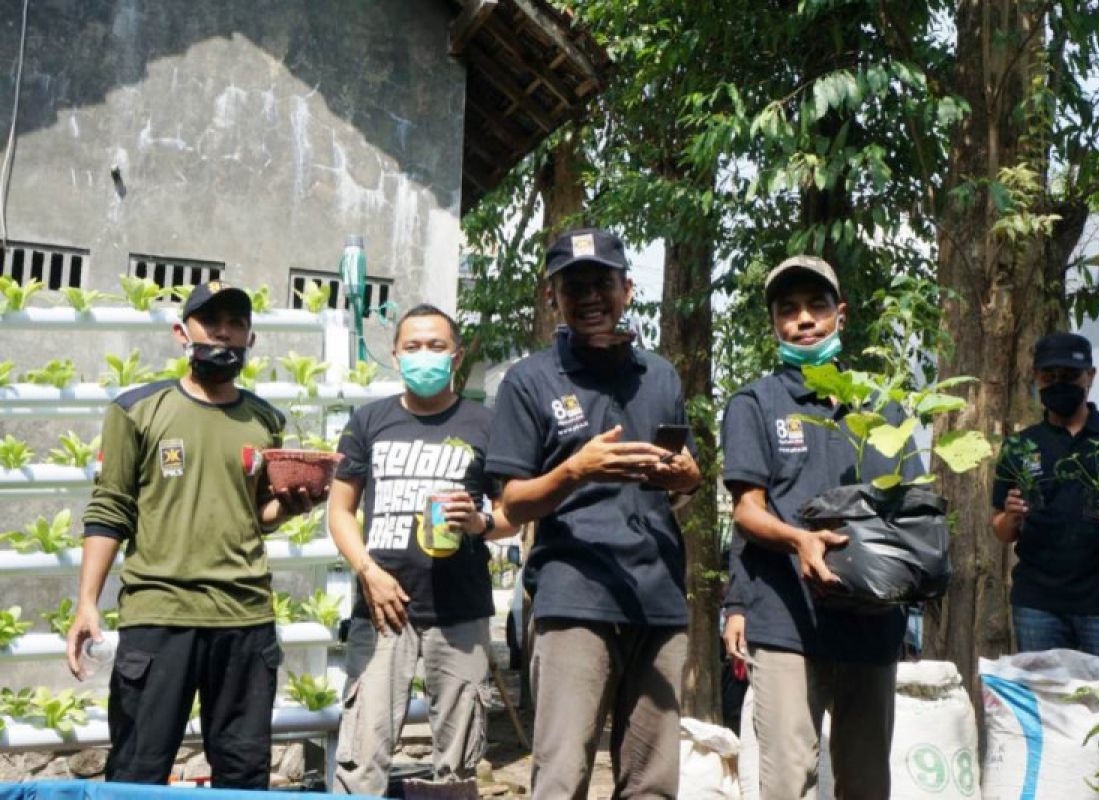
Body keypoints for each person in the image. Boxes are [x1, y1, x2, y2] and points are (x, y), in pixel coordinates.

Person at [67, 282, 319, 787]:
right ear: (183, 332)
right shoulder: (136, 410)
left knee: (244, 775)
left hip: (245, 618)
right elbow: (111, 506)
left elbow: (255, 515)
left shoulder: (266, 420)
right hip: (159, 615)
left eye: (236, 323)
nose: (224, 332)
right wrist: (87, 601)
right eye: (211, 322)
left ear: (251, 339)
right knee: (138, 769)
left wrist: (290, 507)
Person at [485, 228, 701, 799]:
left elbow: (683, 484)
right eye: (572, 285)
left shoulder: (660, 375)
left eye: (601, 283)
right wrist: (575, 470)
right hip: (574, 596)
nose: (589, 297)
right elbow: (512, 502)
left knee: (652, 783)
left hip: (657, 599)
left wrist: (688, 478)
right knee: (561, 775)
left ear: (627, 289)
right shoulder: (529, 381)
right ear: (551, 297)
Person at [721, 255, 922, 800]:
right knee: (789, 779)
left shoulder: (884, 408)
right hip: (787, 620)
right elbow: (747, 510)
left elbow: (912, 508)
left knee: (865, 781)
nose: (803, 319)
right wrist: (797, 543)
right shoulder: (754, 404)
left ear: (841, 315)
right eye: (788, 310)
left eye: (816, 306)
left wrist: (916, 585)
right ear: (774, 325)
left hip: (872, 621)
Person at [328, 303, 517, 795]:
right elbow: (340, 511)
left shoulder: (486, 424)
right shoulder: (369, 421)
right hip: (381, 608)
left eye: (436, 346)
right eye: (412, 346)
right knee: (362, 756)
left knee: (457, 764)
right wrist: (368, 570)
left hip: (460, 612)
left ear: (456, 354)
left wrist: (479, 522)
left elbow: (510, 512)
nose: (424, 355)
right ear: (396, 354)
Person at [992, 331, 1099, 684]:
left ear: (1090, 376)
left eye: (1070, 376)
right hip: (1039, 605)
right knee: (1052, 713)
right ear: (1036, 379)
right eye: (1049, 377)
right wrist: (1011, 515)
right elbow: (1000, 528)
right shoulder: (1019, 447)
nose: (1059, 384)